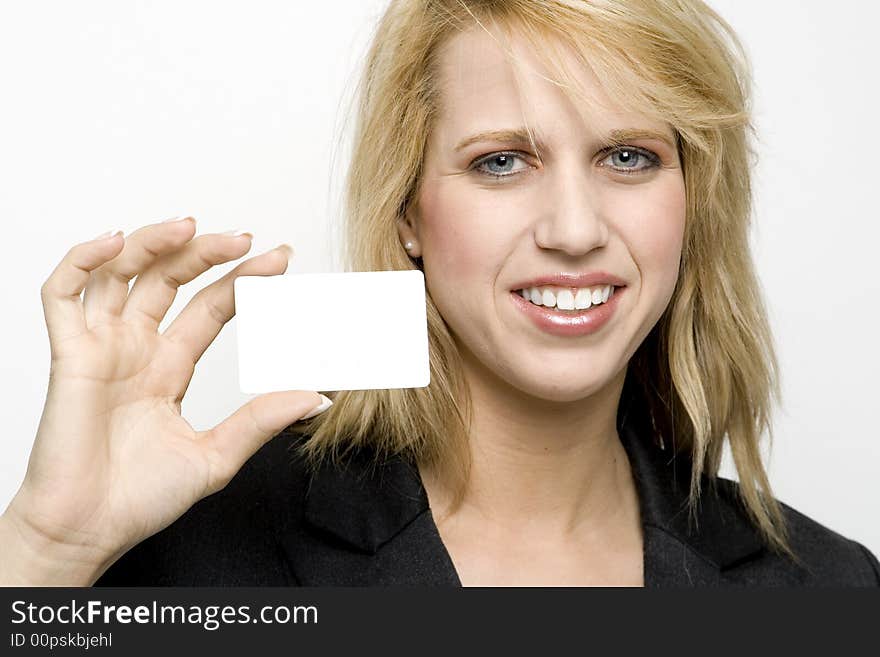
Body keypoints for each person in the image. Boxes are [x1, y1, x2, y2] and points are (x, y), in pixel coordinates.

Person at [1, 0, 878, 587]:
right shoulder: (205, 553)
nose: (574, 228)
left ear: (691, 204)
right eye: (501, 161)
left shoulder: (831, 587)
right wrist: (45, 551)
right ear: (408, 213)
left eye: (629, 157)